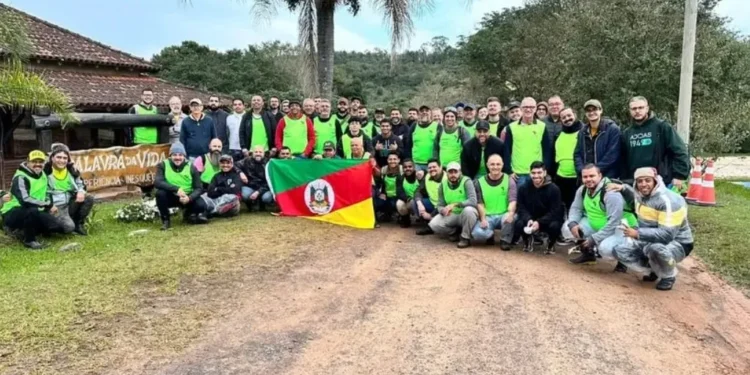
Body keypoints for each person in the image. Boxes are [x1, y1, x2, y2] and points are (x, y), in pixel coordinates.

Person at [610, 167, 694, 291]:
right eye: (640, 181)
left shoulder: (669, 201)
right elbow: (633, 198)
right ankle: (655, 269)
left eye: (647, 180)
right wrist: (623, 188)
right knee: (620, 250)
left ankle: (668, 276)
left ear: (655, 181)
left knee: (656, 249)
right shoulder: (641, 195)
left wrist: (637, 233)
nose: (643, 184)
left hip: (678, 242)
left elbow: (667, 235)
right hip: (649, 238)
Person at [563, 164, 637, 265]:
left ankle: (624, 262)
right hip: (597, 224)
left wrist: (594, 239)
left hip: (621, 229)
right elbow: (576, 208)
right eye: (585, 177)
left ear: (600, 175)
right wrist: (573, 223)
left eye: (592, 176)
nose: (588, 179)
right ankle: (589, 255)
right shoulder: (582, 189)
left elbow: (614, 223)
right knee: (567, 228)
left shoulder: (610, 193)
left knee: (605, 248)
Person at [621, 96, 690, 192]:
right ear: (630, 111)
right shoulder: (627, 133)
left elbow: (680, 150)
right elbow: (623, 160)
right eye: (634, 108)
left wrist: (679, 175)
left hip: (661, 182)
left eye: (641, 108)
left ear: (647, 108)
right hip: (636, 182)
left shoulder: (662, 127)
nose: (637, 111)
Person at [1, 150, 64, 249]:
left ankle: (22, 231)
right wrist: (48, 205)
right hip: (12, 211)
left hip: (35, 210)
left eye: (40, 162)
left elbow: (47, 192)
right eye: (34, 161)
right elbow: (25, 200)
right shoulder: (20, 177)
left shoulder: (43, 174)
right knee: (31, 209)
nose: (37, 164)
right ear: (27, 162)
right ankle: (29, 240)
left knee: (57, 227)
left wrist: (48, 206)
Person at [417, 162, 478, 249]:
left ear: (460, 172)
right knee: (434, 224)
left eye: (455, 172)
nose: (453, 174)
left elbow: (473, 201)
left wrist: (455, 204)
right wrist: (442, 210)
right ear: (447, 173)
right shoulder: (443, 184)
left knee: (469, 210)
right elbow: (440, 204)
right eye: (450, 172)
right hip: (452, 214)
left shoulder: (467, 181)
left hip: (465, 213)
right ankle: (454, 232)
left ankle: (465, 238)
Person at [154, 142, 207, 230]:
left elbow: (199, 188)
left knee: (201, 205)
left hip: (187, 196)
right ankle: (166, 221)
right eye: (174, 155)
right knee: (160, 194)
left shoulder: (192, 167)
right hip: (172, 195)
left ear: (184, 156)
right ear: (170, 156)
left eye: (180, 155)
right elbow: (157, 182)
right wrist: (176, 189)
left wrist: (189, 198)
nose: (177, 157)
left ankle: (188, 214)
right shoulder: (163, 165)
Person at [514, 161, 564, 254]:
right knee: (519, 223)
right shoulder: (523, 188)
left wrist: (540, 222)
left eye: (539, 173)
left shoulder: (554, 189)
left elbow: (555, 211)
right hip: (531, 219)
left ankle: (550, 244)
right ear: (530, 173)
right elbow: (521, 207)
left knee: (556, 225)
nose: (536, 176)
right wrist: (528, 219)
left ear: (545, 173)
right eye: (533, 173)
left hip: (547, 220)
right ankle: (527, 240)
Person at [44, 144, 94, 235]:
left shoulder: (71, 170)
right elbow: (40, 192)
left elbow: (80, 183)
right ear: (52, 158)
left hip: (70, 203)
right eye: (58, 157)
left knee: (89, 198)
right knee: (68, 227)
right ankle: (48, 228)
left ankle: (78, 224)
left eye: (65, 158)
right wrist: (49, 205)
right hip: (55, 206)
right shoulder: (45, 172)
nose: (62, 160)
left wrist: (81, 191)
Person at [504, 97, 553, 187]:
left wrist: (545, 169)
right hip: (518, 174)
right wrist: (509, 171)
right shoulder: (511, 127)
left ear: (535, 109)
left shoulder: (542, 126)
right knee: (521, 200)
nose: (528, 109)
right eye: (525, 107)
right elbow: (507, 150)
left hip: (537, 173)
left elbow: (547, 150)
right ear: (521, 109)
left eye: (531, 107)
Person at [471, 154, 516, 250]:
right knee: (477, 234)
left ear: (502, 165)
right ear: (487, 165)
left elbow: (513, 200)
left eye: (498, 164)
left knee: (513, 217)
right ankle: (489, 234)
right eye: (492, 164)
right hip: (488, 216)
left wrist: (511, 213)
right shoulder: (479, 182)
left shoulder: (509, 180)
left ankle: (505, 240)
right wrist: (483, 218)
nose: (495, 167)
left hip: (504, 215)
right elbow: (480, 203)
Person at [574, 99, 621, 179]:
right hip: (587, 177)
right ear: (585, 113)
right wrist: (582, 170)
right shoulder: (582, 132)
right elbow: (577, 153)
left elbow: (612, 154)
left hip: (607, 176)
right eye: (588, 111)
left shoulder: (612, 129)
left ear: (601, 110)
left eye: (594, 109)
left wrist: (595, 171)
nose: (591, 113)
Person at [555, 107, 583, 209]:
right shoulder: (558, 134)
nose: (567, 119)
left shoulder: (584, 131)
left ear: (575, 115)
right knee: (564, 205)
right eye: (563, 117)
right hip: (561, 177)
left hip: (578, 178)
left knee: (578, 206)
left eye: (569, 115)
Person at [237, 146, 275, 211]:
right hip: (250, 187)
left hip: (265, 188)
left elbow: (270, 181)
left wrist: (258, 192)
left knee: (267, 198)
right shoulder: (246, 160)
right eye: (256, 152)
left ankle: (262, 204)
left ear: (264, 153)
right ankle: (251, 204)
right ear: (252, 153)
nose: (258, 154)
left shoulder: (269, 163)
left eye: (260, 152)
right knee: (244, 194)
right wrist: (241, 173)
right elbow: (234, 165)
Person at [408, 105, 442, 171]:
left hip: (432, 164)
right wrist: (409, 160)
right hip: (416, 163)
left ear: (431, 114)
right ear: (418, 114)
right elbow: (409, 145)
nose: (424, 112)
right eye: (422, 111)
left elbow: (441, 146)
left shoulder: (438, 126)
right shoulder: (414, 126)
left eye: (427, 111)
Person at [413, 159, 445, 225]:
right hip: (432, 203)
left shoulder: (447, 179)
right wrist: (420, 204)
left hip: (443, 207)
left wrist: (431, 215)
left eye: (434, 167)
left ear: (440, 167)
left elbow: (446, 202)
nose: (432, 169)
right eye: (430, 168)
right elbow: (417, 191)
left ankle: (432, 221)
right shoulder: (427, 176)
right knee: (415, 202)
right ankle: (428, 222)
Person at [375, 152, 402, 222]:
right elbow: (379, 183)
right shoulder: (383, 169)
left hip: (400, 196)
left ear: (398, 160)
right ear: (387, 160)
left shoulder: (402, 170)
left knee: (395, 203)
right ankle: (386, 214)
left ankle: (400, 214)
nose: (392, 161)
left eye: (394, 159)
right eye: (390, 159)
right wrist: (380, 193)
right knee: (377, 202)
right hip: (387, 196)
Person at [395, 158, 420, 227]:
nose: (407, 169)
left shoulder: (419, 176)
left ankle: (424, 220)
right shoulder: (400, 178)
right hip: (408, 201)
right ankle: (406, 219)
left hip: (419, 201)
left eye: (410, 166)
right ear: (402, 168)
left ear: (414, 167)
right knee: (399, 203)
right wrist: (408, 199)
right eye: (405, 167)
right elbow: (399, 192)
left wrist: (416, 200)